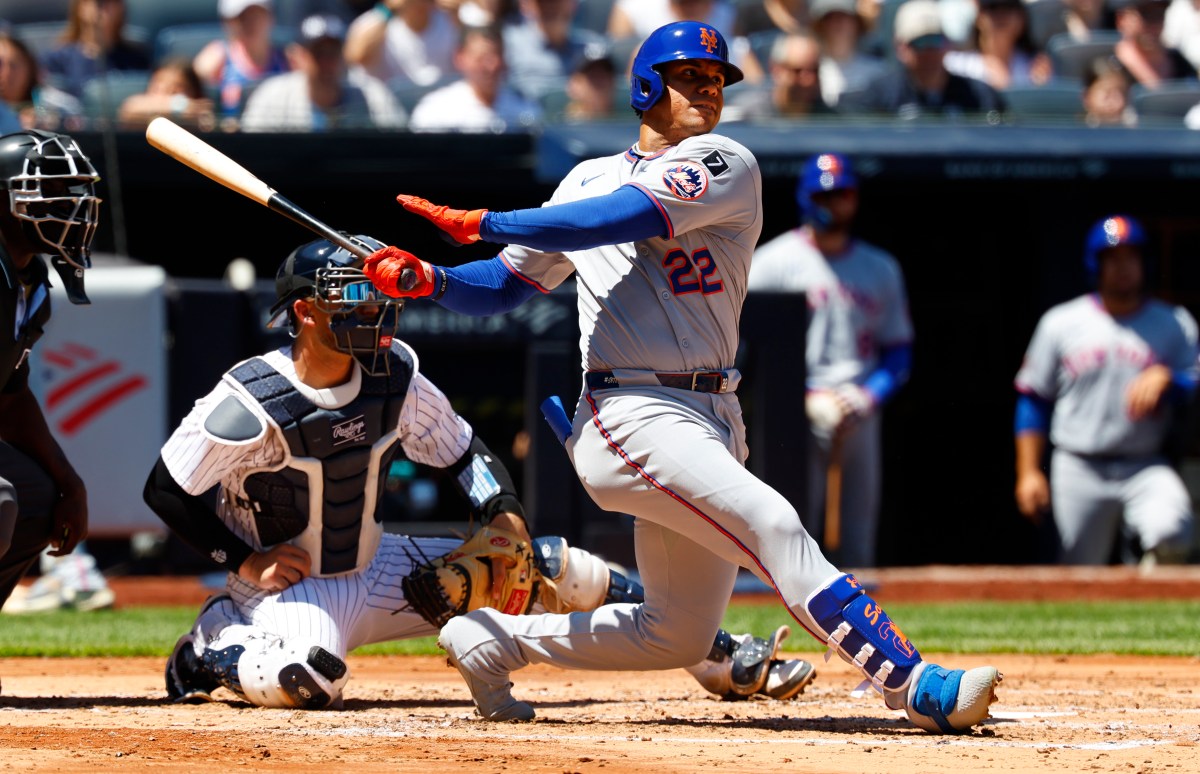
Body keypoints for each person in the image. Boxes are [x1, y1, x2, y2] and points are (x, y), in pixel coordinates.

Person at [361, 21, 1002, 731]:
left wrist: (491, 220)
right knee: (774, 524)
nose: (708, 89)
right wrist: (430, 279)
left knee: (677, 634)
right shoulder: (585, 180)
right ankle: (912, 683)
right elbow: (505, 285)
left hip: (713, 412)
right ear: (645, 86)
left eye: (716, 78)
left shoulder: (727, 162)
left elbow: (620, 216)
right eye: (689, 75)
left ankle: (494, 642)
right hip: (628, 410)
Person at [144, 234, 817, 709]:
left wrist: (503, 518)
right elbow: (167, 488)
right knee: (310, 681)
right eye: (353, 296)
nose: (373, 308)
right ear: (304, 312)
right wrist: (243, 560)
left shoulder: (393, 373)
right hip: (294, 588)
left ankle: (725, 658)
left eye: (374, 294)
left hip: (379, 566)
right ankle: (210, 645)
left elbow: (463, 453)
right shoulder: (252, 398)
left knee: (553, 567)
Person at [746, 153, 913, 568]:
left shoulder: (880, 267)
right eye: (824, 196)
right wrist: (799, 395)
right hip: (795, 413)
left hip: (859, 410)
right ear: (805, 198)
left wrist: (869, 396)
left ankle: (857, 608)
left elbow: (899, 349)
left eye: (841, 195)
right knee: (792, 531)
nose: (833, 204)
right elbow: (746, 349)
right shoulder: (771, 263)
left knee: (857, 536)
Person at [1014, 215, 1198, 567]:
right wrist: (1029, 471)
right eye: (1112, 258)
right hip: (1079, 464)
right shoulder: (1060, 323)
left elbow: (1194, 384)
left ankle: (1147, 590)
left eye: (1131, 257)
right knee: (1078, 568)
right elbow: (1033, 399)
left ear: (1144, 263)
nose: (1123, 267)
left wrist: (1171, 380)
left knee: (1172, 531)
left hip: (1144, 463)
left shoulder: (1174, 322)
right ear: (1095, 264)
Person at [0, 130, 102, 623]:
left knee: (38, 497)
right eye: (49, 192)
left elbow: (10, 397)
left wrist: (70, 482)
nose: (69, 207)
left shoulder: (30, 280)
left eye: (71, 192)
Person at [838, 0, 1007, 119]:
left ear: (948, 44)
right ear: (901, 48)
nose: (929, 51)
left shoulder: (978, 95)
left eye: (936, 40)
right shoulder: (880, 95)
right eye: (919, 43)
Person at [239, 13, 406, 132]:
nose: (327, 62)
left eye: (333, 52)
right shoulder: (273, 97)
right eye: (318, 53)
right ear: (299, 56)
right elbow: (253, 155)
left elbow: (400, 149)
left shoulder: (373, 97)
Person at [408, 25, 541, 132]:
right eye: (482, 58)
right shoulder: (436, 111)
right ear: (460, 58)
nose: (492, 66)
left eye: (496, 56)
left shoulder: (525, 110)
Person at [193, 0, 292, 122]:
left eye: (256, 15)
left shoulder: (290, 59)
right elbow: (186, 89)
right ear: (227, 22)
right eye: (242, 17)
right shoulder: (216, 57)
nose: (250, 23)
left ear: (271, 18)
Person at [40, 0, 151, 102]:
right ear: (81, 7)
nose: (104, 6)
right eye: (99, 2)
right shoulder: (57, 60)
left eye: (112, 1)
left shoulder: (138, 58)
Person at [500, 0, 609, 103]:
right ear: (527, 5)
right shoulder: (509, 45)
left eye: (556, 1)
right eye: (543, 2)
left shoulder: (593, 49)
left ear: (572, 4)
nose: (550, 7)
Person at [343, 0, 458, 89]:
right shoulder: (372, 21)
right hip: (390, 110)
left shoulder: (450, 17)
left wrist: (457, 8)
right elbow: (357, 57)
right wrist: (388, 10)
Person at [943, 0, 1055, 91]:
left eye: (1008, 7)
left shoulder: (1038, 67)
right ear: (979, 17)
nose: (1001, 15)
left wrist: (1042, 88)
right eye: (993, 7)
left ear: (1022, 17)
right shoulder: (955, 66)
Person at [725, 31, 834, 120]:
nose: (808, 80)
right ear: (776, 70)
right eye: (798, 71)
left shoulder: (830, 120)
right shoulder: (745, 116)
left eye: (814, 70)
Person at [807, 0, 886, 108]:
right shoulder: (808, 74)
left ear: (857, 23)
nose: (837, 24)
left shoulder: (879, 74)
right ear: (820, 26)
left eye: (843, 17)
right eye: (829, 18)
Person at [0, 33, 84, 132]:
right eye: (0, 65)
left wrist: (43, 118)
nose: (7, 73)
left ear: (29, 67)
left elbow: (75, 116)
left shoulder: (49, 102)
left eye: (14, 65)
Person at [1112, 0, 1195, 88]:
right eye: (1146, 15)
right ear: (1121, 19)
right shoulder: (1108, 69)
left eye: (1159, 14)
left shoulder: (1181, 63)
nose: (1154, 25)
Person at [116, 57, 215, 130]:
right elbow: (128, 109)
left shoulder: (200, 117)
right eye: (157, 88)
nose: (164, 96)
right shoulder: (136, 115)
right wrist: (179, 106)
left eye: (175, 91)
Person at [1083, 54, 1136, 125]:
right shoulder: (1072, 130)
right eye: (1107, 91)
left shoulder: (1140, 130)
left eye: (1122, 91)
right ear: (1086, 96)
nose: (1114, 101)